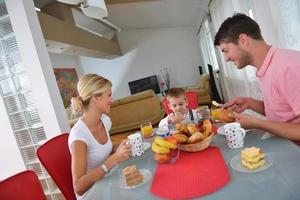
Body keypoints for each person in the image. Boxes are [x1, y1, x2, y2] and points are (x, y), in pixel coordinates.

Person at [214, 13, 300, 141]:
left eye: (226, 50)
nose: (226, 59)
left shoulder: (289, 68)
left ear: (243, 40)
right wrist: (249, 103)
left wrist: (258, 123)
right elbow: (283, 113)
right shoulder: (268, 67)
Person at [68, 74, 132, 199]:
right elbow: (78, 187)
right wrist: (114, 159)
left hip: (106, 182)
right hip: (92, 194)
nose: (112, 100)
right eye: (109, 95)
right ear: (96, 98)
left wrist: (120, 147)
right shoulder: (79, 136)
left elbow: (99, 150)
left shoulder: (105, 120)